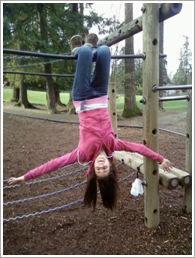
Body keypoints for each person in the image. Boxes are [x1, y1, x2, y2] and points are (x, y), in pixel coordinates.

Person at [8, 33, 173, 210]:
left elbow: (55, 164)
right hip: (101, 96)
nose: (101, 166)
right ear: (110, 166)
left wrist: (26, 177)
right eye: (105, 169)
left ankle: (79, 50)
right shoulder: (112, 145)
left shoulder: (83, 154)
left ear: (92, 169)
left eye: (98, 170)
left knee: (85, 52)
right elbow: (138, 148)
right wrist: (160, 159)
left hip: (82, 98)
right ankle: (88, 49)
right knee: (104, 51)